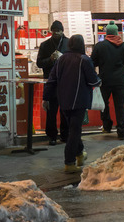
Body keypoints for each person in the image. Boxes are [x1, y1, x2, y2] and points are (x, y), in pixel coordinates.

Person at [43, 35, 101, 173]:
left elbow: (51, 81)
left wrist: (45, 98)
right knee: (74, 131)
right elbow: (93, 81)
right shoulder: (84, 60)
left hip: (63, 101)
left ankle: (80, 154)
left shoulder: (61, 59)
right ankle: (69, 162)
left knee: (73, 129)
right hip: (79, 101)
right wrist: (99, 81)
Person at [91, 21, 124, 140]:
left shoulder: (100, 46)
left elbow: (92, 63)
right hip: (119, 80)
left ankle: (107, 125)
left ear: (106, 33)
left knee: (103, 104)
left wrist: (94, 76)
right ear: (116, 33)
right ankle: (121, 131)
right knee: (119, 105)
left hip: (105, 80)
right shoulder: (123, 46)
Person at [36, 20, 70, 145]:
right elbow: (39, 63)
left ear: (63, 31)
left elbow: (73, 60)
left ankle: (65, 135)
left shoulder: (68, 43)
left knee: (65, 110)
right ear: (51, 31)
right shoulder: (45, 45)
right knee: (51, 111)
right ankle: (52, 136)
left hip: (65, 82)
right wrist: (50, 59)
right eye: (54, 30)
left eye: (59, 31)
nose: (56, 33)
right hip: (50, 82)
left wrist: (63, 58)